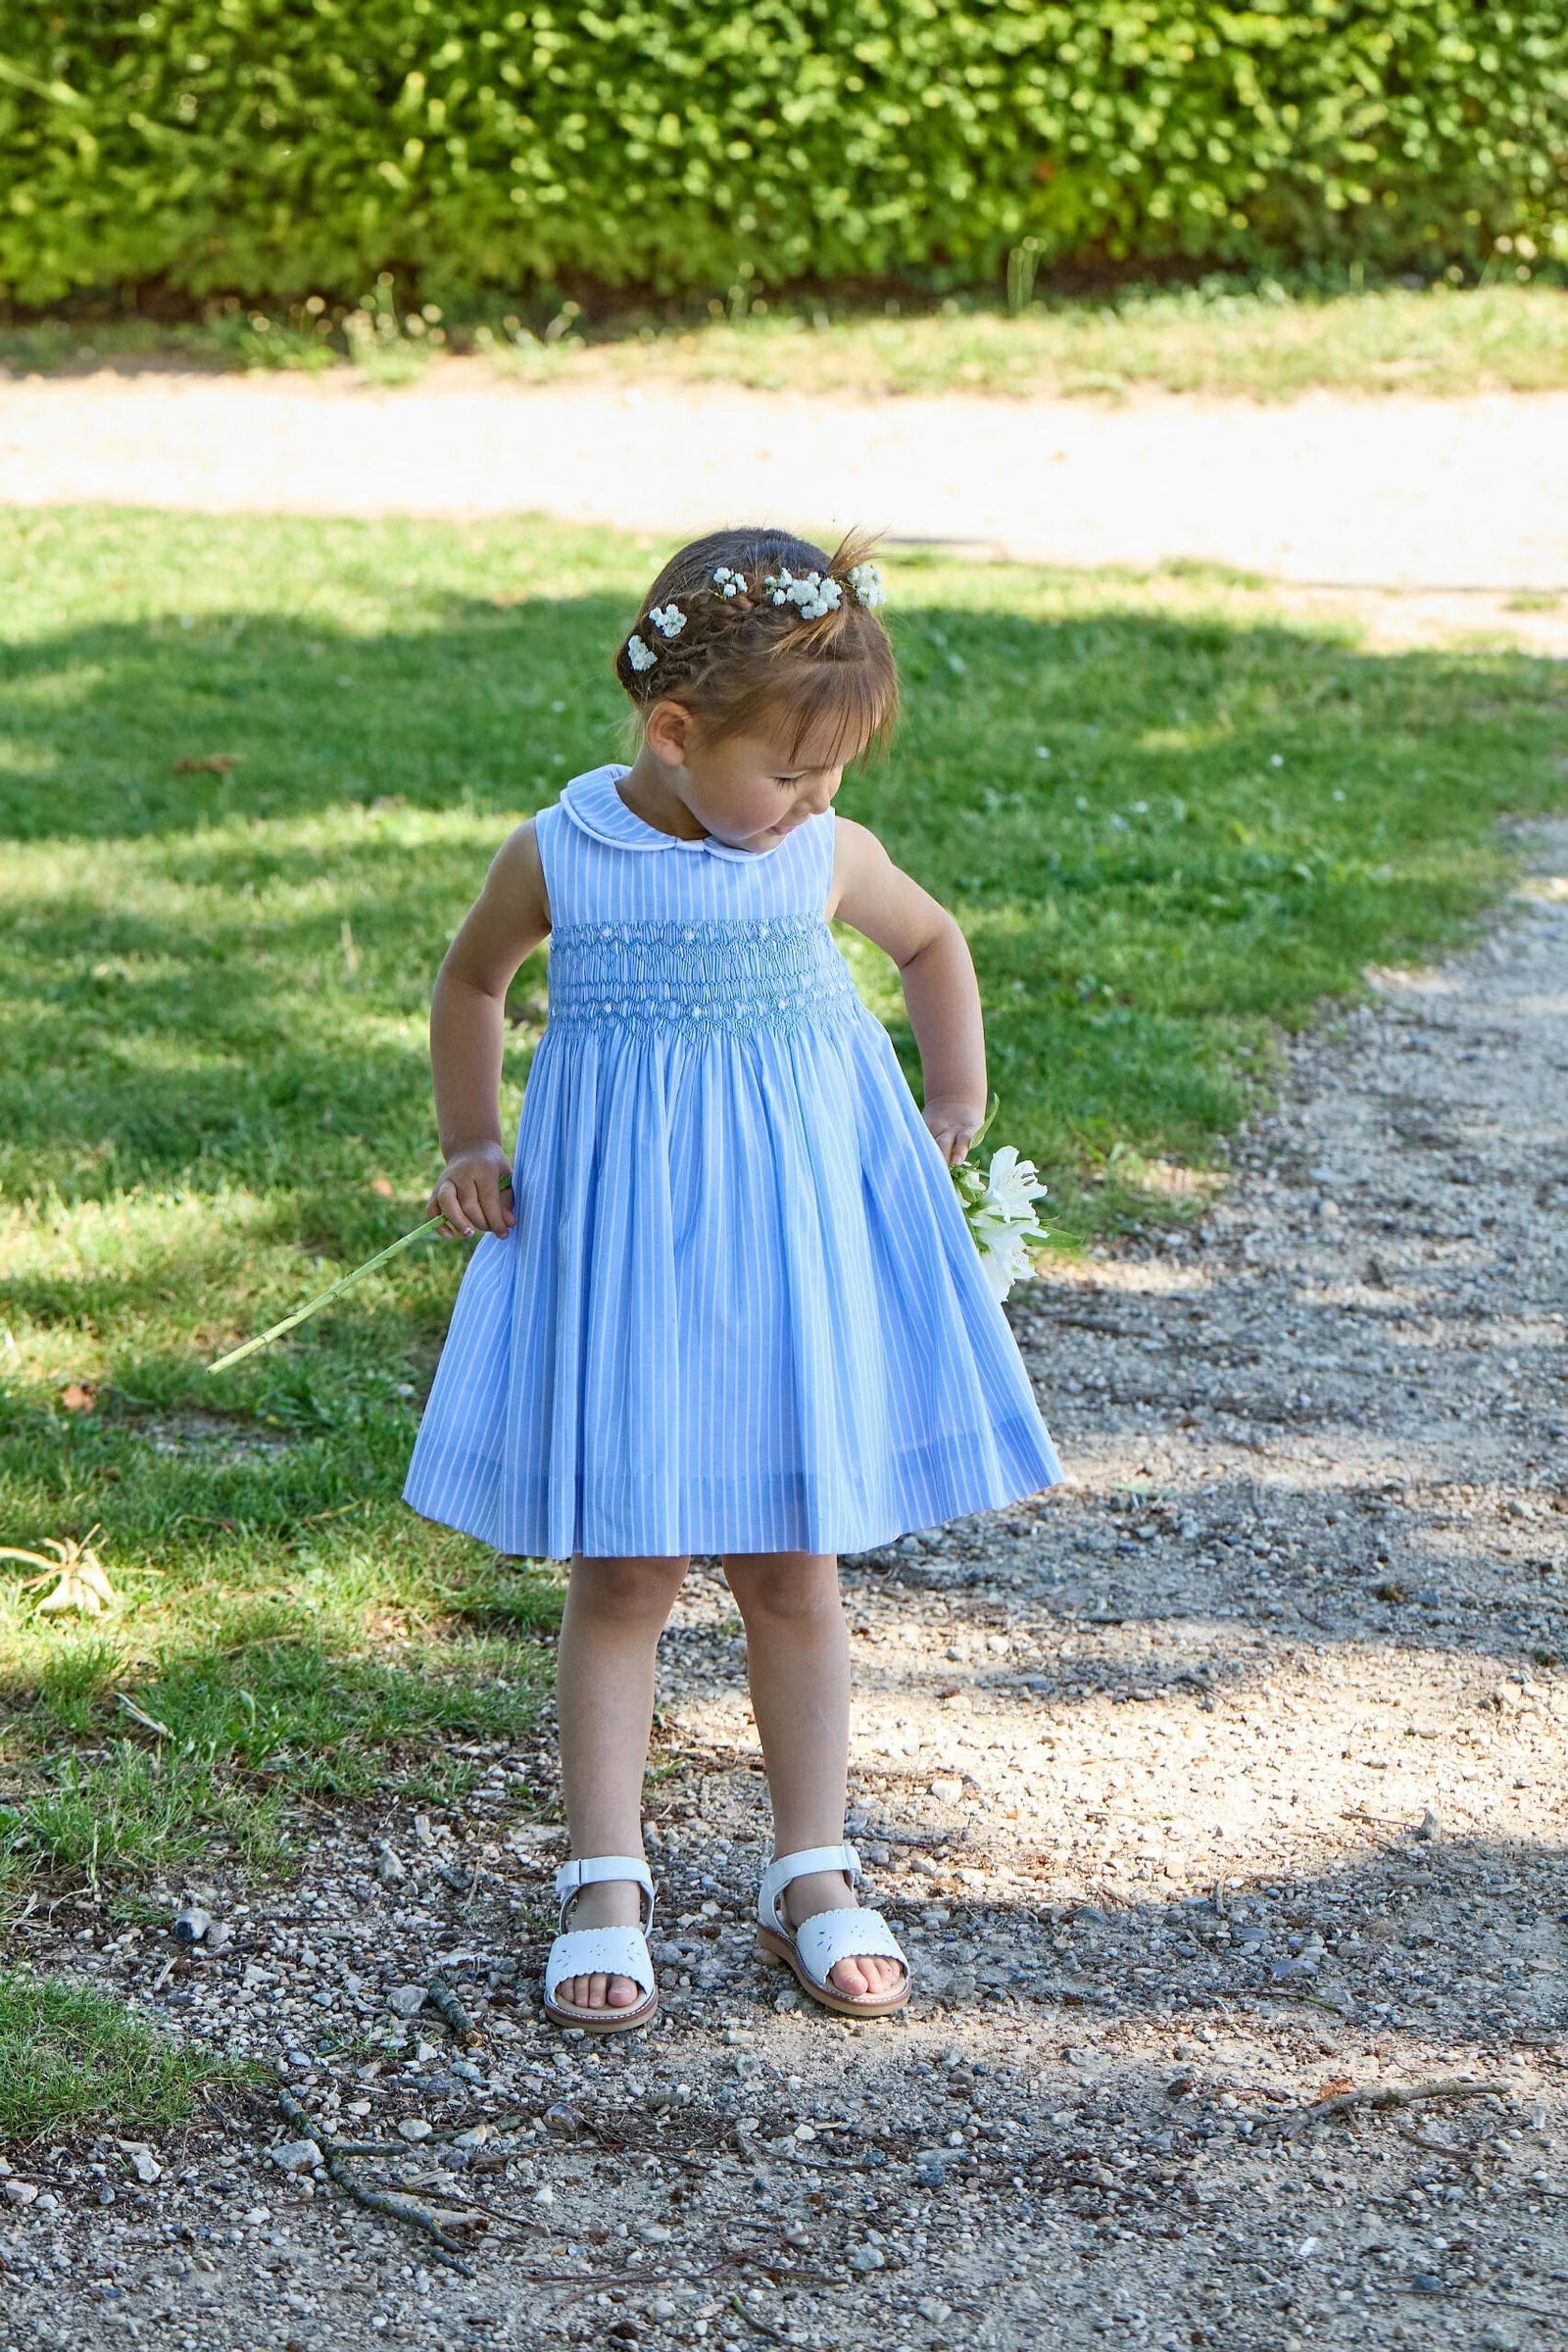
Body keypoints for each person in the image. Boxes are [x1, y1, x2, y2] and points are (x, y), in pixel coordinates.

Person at [403, 526, 1061, 2032]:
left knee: (790, 1554)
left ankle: (810, 1865)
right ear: (674, 731)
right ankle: (604, 1873)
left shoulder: (816, 855)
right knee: (626, 1564)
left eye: (835, 784)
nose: (815, 807)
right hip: (623, 1244)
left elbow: (931, 942)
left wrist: (949, 1099)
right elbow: (471, 982)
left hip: (782, 1244)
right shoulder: (563, 851)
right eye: (791, 777)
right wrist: (470, 1140)